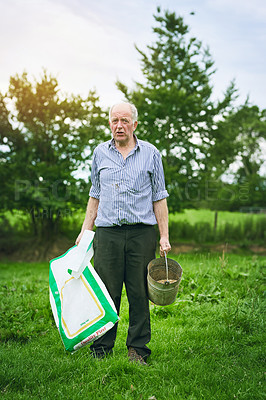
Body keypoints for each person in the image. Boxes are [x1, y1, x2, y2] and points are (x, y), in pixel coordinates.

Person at [76, 101, 171, 365]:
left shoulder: (151, 153)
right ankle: (101, 349)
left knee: (139, 292)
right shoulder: (99, 153)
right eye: (115, 120)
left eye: (125, 121)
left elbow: (159, 197)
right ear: (109, 123)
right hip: (108, 234)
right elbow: (95, 194)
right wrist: (86, 230)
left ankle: (137, 350)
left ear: (135, 124)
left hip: (142, 234)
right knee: (106, 292)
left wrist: (164, 236)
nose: (119, 125)